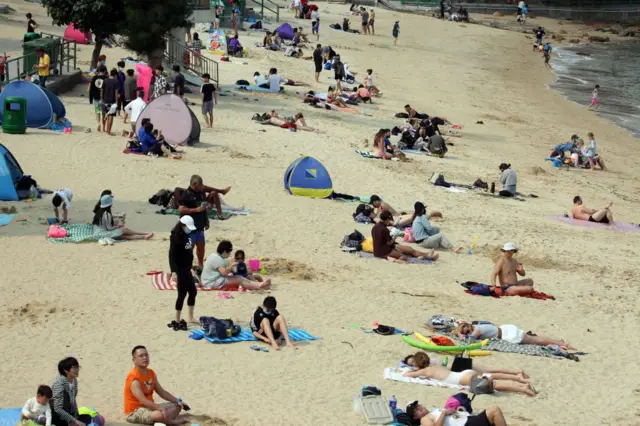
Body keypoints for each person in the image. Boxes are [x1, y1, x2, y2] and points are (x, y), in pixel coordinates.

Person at [404, 352, 536, 396]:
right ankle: (520, 382)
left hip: (462, 378)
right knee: (491, 377)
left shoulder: (425, 370)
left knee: (494, 384)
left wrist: (412, 370)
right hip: (464, 373)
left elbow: (408, 375)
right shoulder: (435, 365)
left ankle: (522, 388)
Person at [124, 346, 190, 425]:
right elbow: (143, 400)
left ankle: (164, 419)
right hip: (135, 411)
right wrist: (160, 408)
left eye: (146, 355)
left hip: (150, 408)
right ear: (134, 360)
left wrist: (177, 401)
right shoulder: (134, 378)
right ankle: (170, 422)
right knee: (160, 414)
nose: (145, 358)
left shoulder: (151, 373)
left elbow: (161, 392)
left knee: (178, 406)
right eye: (141, 356)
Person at [201, 240, 272, 290]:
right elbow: (224, 273)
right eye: (229, 253)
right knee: (239, 279)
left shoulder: (213, 255)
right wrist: (231, 266)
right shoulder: (217, 259)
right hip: (210, 283)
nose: (229, 255)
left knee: (237, 277)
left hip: (208, 280)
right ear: (225, 252)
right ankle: (260, 285)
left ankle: (259, 284)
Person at [372, 210, 439, 263]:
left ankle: (425, 255)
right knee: (407, 253)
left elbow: (379, 241)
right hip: (384, 251)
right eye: (389, 220)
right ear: (386, 220)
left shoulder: (374, 227)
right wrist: (395, 237)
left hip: (377, 251)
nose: (389, 222)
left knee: (408, 249)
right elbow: (389, 243)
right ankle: (427, 255)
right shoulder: (384, 229)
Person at [168, 216, 198, 330]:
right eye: (188, 227)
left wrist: (191, 268)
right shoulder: (176, 238)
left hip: (187, 268)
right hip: (180, 270)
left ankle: (190, 317)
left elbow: (188, 252)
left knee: (193, 292)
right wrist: (174, 272)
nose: (189, 229)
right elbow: (172, 256)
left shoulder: (186, 235)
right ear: (182, 226)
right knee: (182, 294)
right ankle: (177, 319)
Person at [455, 322, 572, 348]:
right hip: (505, 330)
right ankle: (558, 341)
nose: (467, 333)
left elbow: (470, 341)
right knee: (535, 339)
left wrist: (462, 337)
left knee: (537, 341)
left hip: (508, 334)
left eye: (465, 332)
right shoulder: (477, 326)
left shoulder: (477, 330)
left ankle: (561, 343)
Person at [178, 175, 209, 269]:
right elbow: (181, 210)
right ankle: (188, 266)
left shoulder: (200, 193)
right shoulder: (186, 195)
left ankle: (200, 265)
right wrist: (196, 210)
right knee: (189, 247)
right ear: (195, 184)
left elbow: (203, 208)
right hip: (189, 227)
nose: (201, 187)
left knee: (201, 246)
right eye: (200, 185)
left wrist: (206, 220)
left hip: (200, 225)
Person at [51, 357, 93, 426]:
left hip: (68, 412)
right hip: (56, 415)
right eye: (74, 368)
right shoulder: (58, 383)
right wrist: (75, 421)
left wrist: (76, 417)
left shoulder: (74, 381)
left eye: (78, 367)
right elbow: (57, 408)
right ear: (65, 370)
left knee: (88, 417)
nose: (77, 370)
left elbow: (73, 399)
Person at [406, 401, 508, 426]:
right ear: (415, 417)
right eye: (415, 410)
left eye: (417, 405)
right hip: (466, 424)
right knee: (495, 411)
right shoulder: (424, 419)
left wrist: (461, 411)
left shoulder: (435, 411)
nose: (418, 407)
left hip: (468, 419)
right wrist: (444, 412)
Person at [101, 69, 120, 135]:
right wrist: (117, 102)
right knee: (111, 116)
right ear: (115, 75)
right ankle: (109, 131)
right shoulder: (116, 81)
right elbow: (116, 92)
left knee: (104, 115)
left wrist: (101, 99)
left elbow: (102, 90)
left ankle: (103, 128)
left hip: (104, 100)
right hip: (112, 101)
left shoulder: (105, 80)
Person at [89, 66, 106, 132]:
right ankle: (104, 126)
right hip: (104, 98)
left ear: (98, 71)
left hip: (96, 97)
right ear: (104, 71)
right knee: (104, 113)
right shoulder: (106, 78)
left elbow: (91, 89)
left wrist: (90, 99)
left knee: (97, 112)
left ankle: (98, 123)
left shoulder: (94, 78)